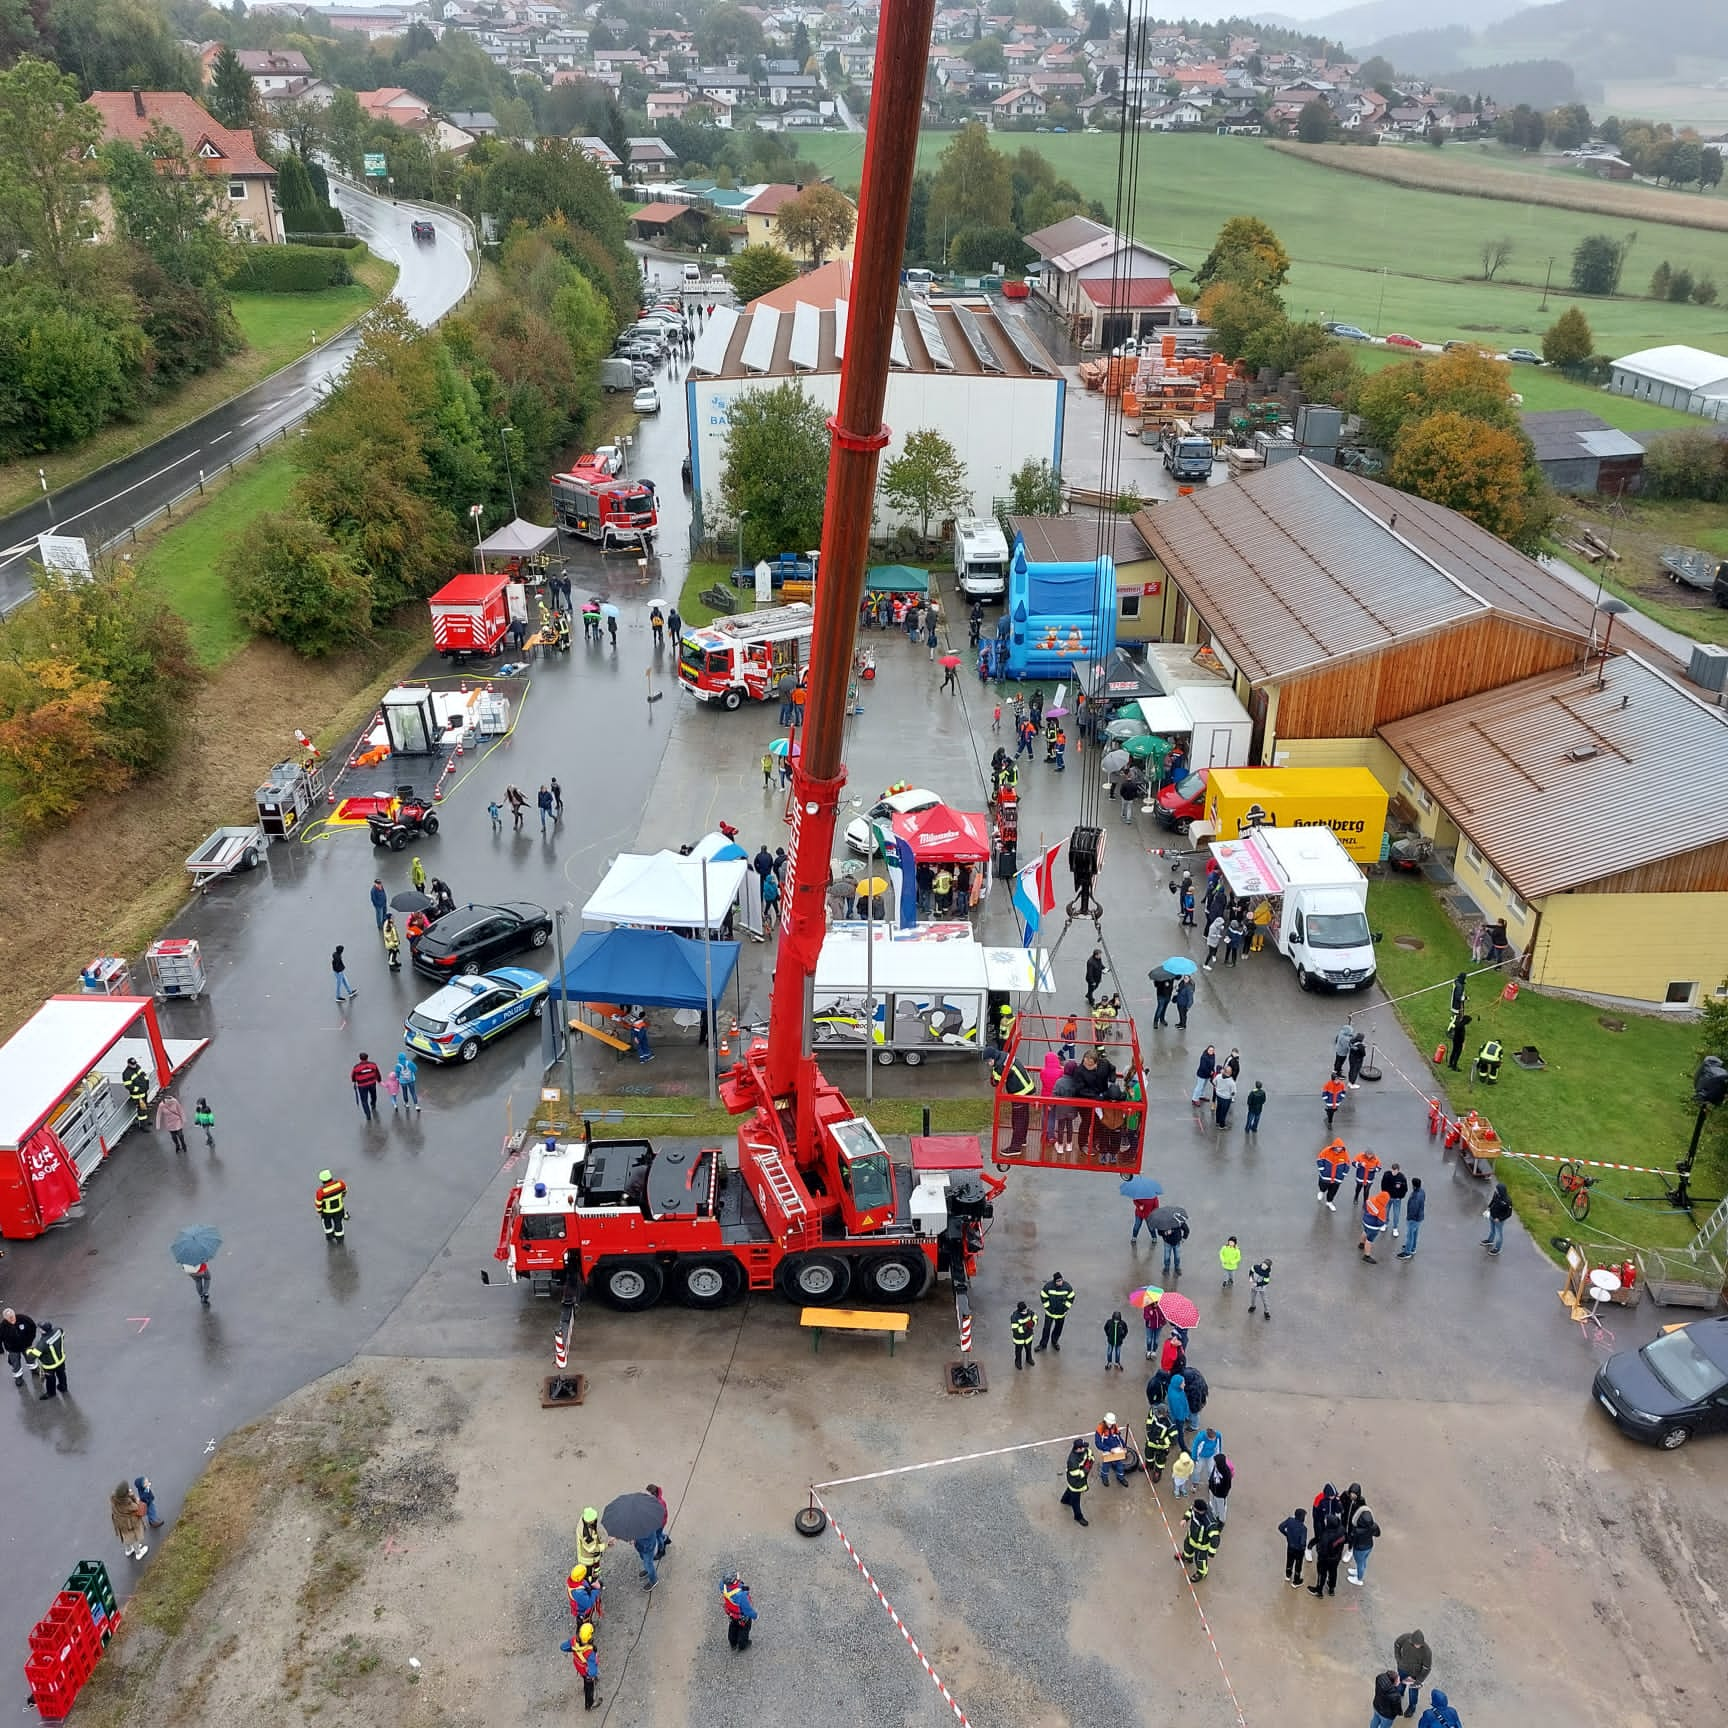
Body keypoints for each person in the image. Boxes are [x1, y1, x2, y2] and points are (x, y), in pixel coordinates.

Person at [991, 1046, 1036, 1155]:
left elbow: (995, 1082)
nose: (988, 1063)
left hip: (1019, 1092)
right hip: (1027, 1087)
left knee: (1018, 1119)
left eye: (988, 1061)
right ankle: (1022, 1140)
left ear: (993, 1058)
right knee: (1024, 1116)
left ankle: (1015, 1147)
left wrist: (993, 1075)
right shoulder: (1005, 1056)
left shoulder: (999, 1067)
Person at [1309, 1495, 1349, 1597]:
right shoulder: (1342, 1530)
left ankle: (1319, 1590)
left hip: (1325, 1559)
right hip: (1336, 1558)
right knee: (1333, 1573)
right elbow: (1346, 1540)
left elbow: (1322, 1550)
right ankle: (1331, 1589)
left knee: (1321, 1574)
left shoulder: (1326, 1536)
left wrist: (1319, 1552)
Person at [1395, 1628, 1434, 1718]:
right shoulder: (1405, 1638)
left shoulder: (1427, 1652)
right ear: (1411, 1641)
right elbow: (1397, 1644)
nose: (1418, 1646)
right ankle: (1399, 1695)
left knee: (1413, 1691)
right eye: (1416, 1644)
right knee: (1400, 1684)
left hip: (1415, 1674)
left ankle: (1412, 1707)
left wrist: (1418, 1681)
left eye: (1419, 1644)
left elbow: (1427, 1668)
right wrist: (1398, 1659)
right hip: (1403, 1668)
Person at [560, 1623, 599, 1710]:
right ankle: (589, 1704)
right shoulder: (589, 1652)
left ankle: (585, 1689)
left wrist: (573, 1649)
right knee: (590, 1687)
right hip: (587, 1672)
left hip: (579, 1668)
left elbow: (563, 1647)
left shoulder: (573, 1641)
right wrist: (593, 1675)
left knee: (585, 1681)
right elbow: (592, 1671)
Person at [1182, 1497, 1221, 1582]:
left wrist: (1211, 1552)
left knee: (1200, 1560)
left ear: (1200, 1510)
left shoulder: (1210, 1523)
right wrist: (1185, 1519)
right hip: (1191, 1538)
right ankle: (1187, 1557)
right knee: (1187, 1549)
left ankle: (1201, 1572)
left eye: (1194, 1507)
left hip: (1201, 1546)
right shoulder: (1195, 1509)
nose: (1193, 1507)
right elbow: (1190, 1511)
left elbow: (1215, 1538)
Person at [110, 1482, 149, 1561]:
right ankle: (138, 1553)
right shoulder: (127, 1503)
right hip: (130, 1524)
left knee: (125, 1537)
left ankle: (128, 1550)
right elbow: (137, 1506)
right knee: (134, 1538)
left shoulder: (113, 1499)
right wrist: (132, 1495)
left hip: (120, 1523)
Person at [1037, 1271, 1075, 1351]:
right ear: (1054, 1281)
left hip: (1061, 1314)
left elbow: (1071, 1297)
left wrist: (1065, 1308)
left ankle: (1054, 1342)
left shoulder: (1067, 1287)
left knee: (1058, 1329)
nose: (1060, 1282)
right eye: (1058, 1281)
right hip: (1050, 1313)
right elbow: (1043, 1296)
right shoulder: (1048, 1287)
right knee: (1046, 1329)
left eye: (1061, 1280)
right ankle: (1043, 1345)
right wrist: (1048, 1307)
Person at [1349, 1496, 1382, 1584]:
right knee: (1363, 1561)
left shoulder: (1358, 1530)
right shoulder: (1373, 1526)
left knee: (1359, 1562)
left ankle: (1359, 1579)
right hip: (1369, 1546)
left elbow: (1352, 1538)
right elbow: (1378, 1534)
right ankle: (1358, 1572)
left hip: (1360, 1548)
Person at [721, 1572, 758, 1649]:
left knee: (733, 1626)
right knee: (744, 1630)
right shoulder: (741, 1595)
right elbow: (747, 1609)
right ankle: (742, 1645)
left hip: (731, 1613)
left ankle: (733, 1642)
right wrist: (754, 1615)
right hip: (742, 1616)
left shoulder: (723, 1586)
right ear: (734, 1581)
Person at [1060, 1438, 1092, 1525]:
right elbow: (1077, 1475)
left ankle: (1065, 1500)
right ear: (1078, 1449)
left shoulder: (1082, 1451)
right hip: (1075, 1483)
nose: (1085, 1448)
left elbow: (1089, 1453)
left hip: (1074, 1482)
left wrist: (1090, 1459)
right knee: (1076, 1501)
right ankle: (1078, 1517)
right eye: (1083, 1447)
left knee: (1069, 1490)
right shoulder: (1072, 1461)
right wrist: (1086, 1470)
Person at [2, 1307, 38, 1385]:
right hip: (12, 1349)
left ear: (14, 1314)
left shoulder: (23, 1319)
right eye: (9, 1318)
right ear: (5, 1318)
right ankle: (18, 1376)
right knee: (15, 1363)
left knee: (30, 1357)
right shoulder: (3, 1326)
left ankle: (34, 1369)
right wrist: (0, 1350)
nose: (12, 1319)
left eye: (12, 1316)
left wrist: (30, 1339)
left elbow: (33, 1326)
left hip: (26, 1345)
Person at [1093, 1414, 1128, 1484]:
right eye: (1109, 1423)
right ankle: (1104, 1477)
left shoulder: (1114, 1426)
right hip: (1107, 1451)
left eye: (1111, 1423)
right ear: (1105, 1421)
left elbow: (1118, 1437)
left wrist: (1124, 1447)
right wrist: (1108, 1449)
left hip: (1115, 1449)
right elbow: (1098, 1443)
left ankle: (1120, 1477)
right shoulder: (1100, 1428)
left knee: (1120, 1465)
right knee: (1106, 1466)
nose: (1110, 1425)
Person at [314, 1169, 348, 1242]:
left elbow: (318, 1203)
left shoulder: (320, 1191)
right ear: (331, 1177)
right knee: (338, 1223)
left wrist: (319, 1211)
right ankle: (340, 1238)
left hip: (327, 1212)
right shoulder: (340, 1183)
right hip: (339, 1209)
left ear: (322, 1180)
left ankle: (330, 1237)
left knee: (327, 1224)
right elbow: (344, 1191)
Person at [1166, 1370, 1194, 1455]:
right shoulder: (1176, 1397)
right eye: (1183, 1383)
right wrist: (1183, 1418)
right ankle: (1183, 1448)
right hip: (1178, 1419)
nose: (1184, 1384)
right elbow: (1178, 1413)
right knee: (1180, 1433)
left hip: (1178, 1415)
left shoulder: (1174, 1388)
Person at [1279, 1507, 1308, 1587]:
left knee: (1289, 1561)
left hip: (1290, 1546)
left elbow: (1280, 1527)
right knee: (1298, 1565)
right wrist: (1303, 1549)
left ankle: (1288, 1575)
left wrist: (1287, 1535)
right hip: (1299, 1550)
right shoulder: (1303, 1528)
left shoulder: (1289, 1521)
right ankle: (1296, 1581)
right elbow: (1303, 1542)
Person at [1397, 1178, 1426, 1260]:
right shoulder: (1422, 1192)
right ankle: (1413, 1248)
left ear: (1414, 1186)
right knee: (1415, 1233)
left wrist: (1409, 1218)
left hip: (1413, 1219)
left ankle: (1407, 1252)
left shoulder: (1415, 1197)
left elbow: (1413, 1209)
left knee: (1410, 1235)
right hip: (1419, 1217)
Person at [1360, 1187, 1390, 1263]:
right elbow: (1380, 1222)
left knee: (1365, 1231)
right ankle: (1367, 1255)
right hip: (1373, 1226)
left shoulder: (1371, 1199)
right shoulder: (1382, 1209)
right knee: (1369, 1240)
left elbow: (1365, 1206)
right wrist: (1382, 1225)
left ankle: (1361, 1244)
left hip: (1365, 1220)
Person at [1317, 1140, 1348, 1210]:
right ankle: (1321, 1191)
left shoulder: (1345, 1154)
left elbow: (1347, 1164)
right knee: (1322, 1185)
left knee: (1333, 1191)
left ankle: (1329, 1202)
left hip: (1337, 1178)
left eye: (1341, 1147)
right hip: (1326, 1176)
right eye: (1338, 1147)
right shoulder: (1326, 1151)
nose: (1340, 1148)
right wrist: (1322, 1169)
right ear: (1335, 1146)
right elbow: (1320, 1159)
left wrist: (1343, 1174)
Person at [1158, 1210, 1189, 1279]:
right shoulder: (1163, 1222)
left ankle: (1177, 1268)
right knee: (1167, 1257)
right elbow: (1159, 1232)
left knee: (1177, 1257)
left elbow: (1186, 1229)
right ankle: (1166, 1269)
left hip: (1177, 1242)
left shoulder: (1179, 1221)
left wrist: (1183, 1239)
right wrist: (1165, 1233)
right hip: (1167, 1242)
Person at [1483, 1181, 1513, 1254]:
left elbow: (1509, 1213)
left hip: (1499, 1220)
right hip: (1492, 1216)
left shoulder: (1507, 1201)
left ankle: (1497, 1248)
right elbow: (1493, 1201)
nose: (1495, 1190)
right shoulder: (1496, 1194)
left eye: (1497, 1189)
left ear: (1501, 1191)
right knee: (1492, 1230)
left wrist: (1500, 1219)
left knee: (1499, 1234)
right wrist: (1489, 1207)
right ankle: (1490, 1240)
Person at [351, 1052, 382, 1120]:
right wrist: (379, 1080)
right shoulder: (373, 1065)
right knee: (374, 1095)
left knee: (364, 1100)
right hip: (372, 1083)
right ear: (367, 1058)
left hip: (362, 1086)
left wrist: (354, 1081)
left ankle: (368, 1115)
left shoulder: (356, 1067)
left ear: (360, 1058)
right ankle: (373, 1104)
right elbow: (377, 1073)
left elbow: (353, 1076)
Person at [1381, 1162, 1409, 1236]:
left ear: (1398, 1170)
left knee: (1396, 1214)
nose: (1394, 1172)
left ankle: (1395, 1228)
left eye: (1395, 1171)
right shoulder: (1386, 1175)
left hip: (1397, 1199)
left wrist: (1400, 1197)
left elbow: (1405, 1189)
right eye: (1393, 1170)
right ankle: (1385, 1224)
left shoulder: (1402, 1178)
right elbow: (1383, 1185)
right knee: (1385, 1212)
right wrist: (1385, 1195)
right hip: (1388, 1198)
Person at [122, 1056, 151, 1126]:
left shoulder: (137, 1067)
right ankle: (143, 1125)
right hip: (137, 1095)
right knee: (141, 1110)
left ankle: (146, 1121)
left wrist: (146, 1082)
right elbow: (128, 1086)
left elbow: (143, 1074)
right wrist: (138, 1089)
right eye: (132, 1064)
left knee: (144, 1107)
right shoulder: (126, 1074)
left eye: (135, 1064)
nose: (134, 1065)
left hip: (144, 1092)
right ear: (128, 1064)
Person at [1207, 1452, 1234, 1525]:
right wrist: (1210, 1485)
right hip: (1212, 1491)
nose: (1214, 1463)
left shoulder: (1226, 1474)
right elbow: (1212, 1476)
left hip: (1220, 1495)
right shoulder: (1216, 1467)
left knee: (1221, 1508)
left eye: (1215, 1462)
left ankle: (1221, 1521)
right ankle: (1214, 1515)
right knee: (1212, 1503)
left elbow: (1228, 1486)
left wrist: (1222, 1494)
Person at [1010, 1299, 1036, 1370]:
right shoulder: (1015, 1317)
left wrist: (1033, 1323)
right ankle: (1018, 1362)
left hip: (1028, 1337)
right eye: (1024, 1311)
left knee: (1028, 1349)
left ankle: (1029, 1359)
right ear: (1020, 1310)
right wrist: (1025, 1328)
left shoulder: (1029, 1312)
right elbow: (1015, 1329)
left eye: (1026, 1310)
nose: (1025, 1311)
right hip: (1019, 1339)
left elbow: (1035, 1317)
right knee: (1018, 1351)